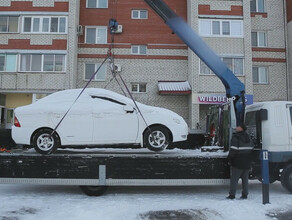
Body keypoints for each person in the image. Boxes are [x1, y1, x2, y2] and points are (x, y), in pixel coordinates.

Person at [226, 123, 254, 200]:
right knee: (245, 179)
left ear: (241, 128)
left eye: (238, 126)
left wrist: (229, 158)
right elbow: (251, 148)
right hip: (247, 161)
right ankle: (245, 194)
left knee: (234, 179)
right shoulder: (248, 137)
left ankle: (232, 195)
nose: (236, 127)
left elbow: (233, 149)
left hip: (238, 161)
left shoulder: (236, 137)